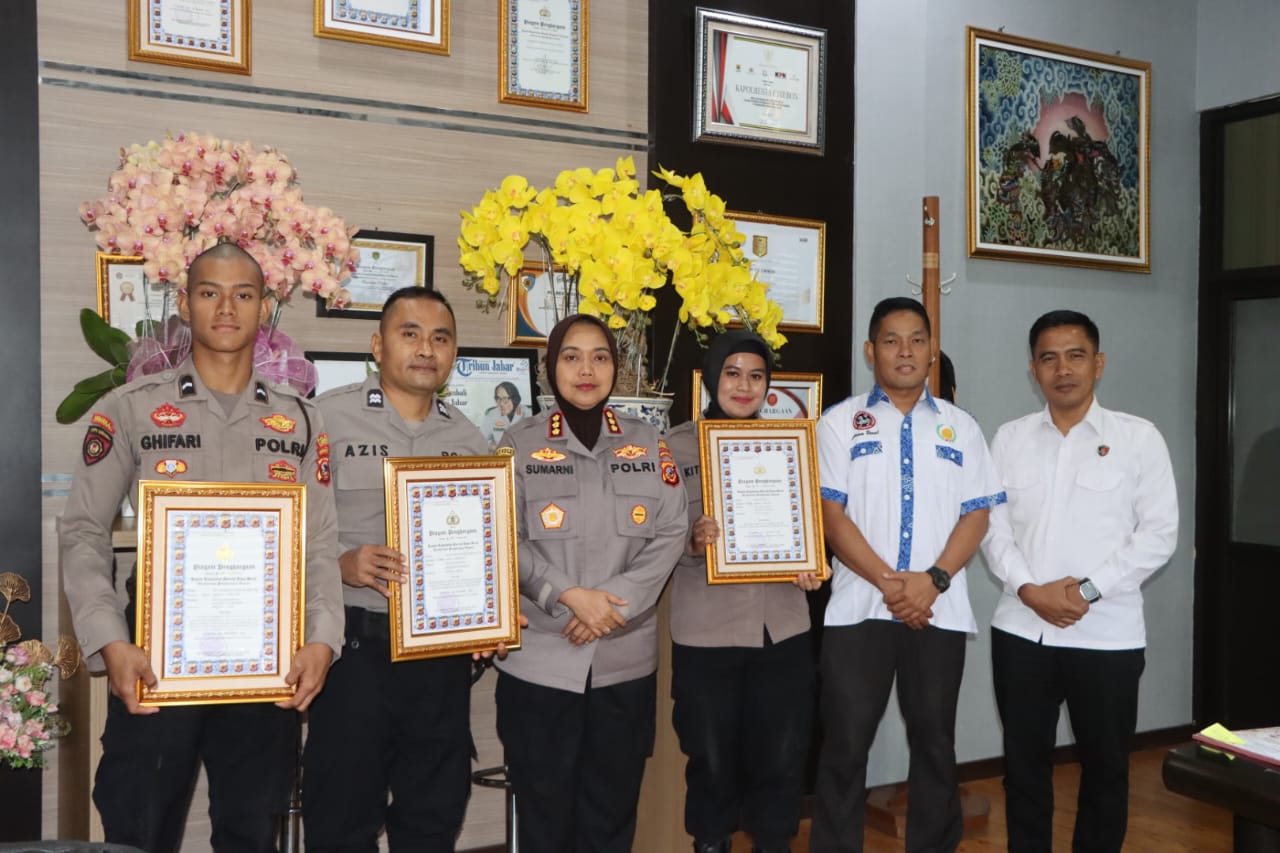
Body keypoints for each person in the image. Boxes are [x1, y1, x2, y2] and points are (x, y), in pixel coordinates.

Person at [59, 242, 344, 853]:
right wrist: (110, 642)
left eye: (243, 294)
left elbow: (319, 540)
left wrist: (322, 637)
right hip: (155, 657)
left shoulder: (301, 420)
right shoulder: (130, 408)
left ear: (265, 307)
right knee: (139, 827)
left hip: (265, 661)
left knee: (250, 830)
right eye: (209, 292)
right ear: (184, 304)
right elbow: (83, 529)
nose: (226, 307)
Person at [811, 296, 1003, 853]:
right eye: (891, 340)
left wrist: (932, 581)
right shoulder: (839, 423)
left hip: (937, 608)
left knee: (936, 746)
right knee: (845, 746)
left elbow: (978, 514)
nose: (905, 351)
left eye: (917, 340)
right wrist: (891, 582)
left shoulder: (961, 428)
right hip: (858, 610)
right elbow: (831, 515)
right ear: (870, 351)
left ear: (932, 351)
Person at [980, 310, 1178, 853]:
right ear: (1033, 369)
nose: (1062, 369)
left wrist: (1086, 591)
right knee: (1023, 771)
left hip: (1107, 635)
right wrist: (1029, 590)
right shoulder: (1009, 439)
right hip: (1022, 632)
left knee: (1107, 773)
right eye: (1048, 358)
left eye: (1075, 355)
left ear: (1099, 363)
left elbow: (1159, 535)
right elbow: (991, 530)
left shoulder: (1139, 439)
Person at [301, 287, 491, 852]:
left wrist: (491, 612)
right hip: (354, 654)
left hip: (439, 662)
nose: (426, 348)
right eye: (410, 333)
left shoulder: (470, 438)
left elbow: (487, 547)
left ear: (453, 352)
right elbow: (283, 529)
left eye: (440, 337)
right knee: (340, 818)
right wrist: (341, 565)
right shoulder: (323, 420)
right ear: (376, 345)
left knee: (433, 813)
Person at [494, 313, 687, 853]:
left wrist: (609, 607)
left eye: (600, 357)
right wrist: (571, 596)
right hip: (541, 666)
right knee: (544, 816)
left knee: (611, 813)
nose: (586, 369)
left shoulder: (649, 441)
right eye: (571, 357)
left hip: (623, 663)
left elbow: (672, 531)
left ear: (616, 368)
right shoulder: (519, 442)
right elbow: (506, 534)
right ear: (549, 368)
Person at [666, 330, 821, 853]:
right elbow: (653, 536)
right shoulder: (674, 447)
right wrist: (692, 538)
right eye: (732, 373)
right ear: (712, 378)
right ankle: (710, 843)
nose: (744, 385)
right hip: (706, 631)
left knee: (781, 757)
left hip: (783, 630)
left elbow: (811, 527)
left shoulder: (791, 445)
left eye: (756, 375)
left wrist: (811, 563)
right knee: (709, 758)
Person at [481, 380, 526, 451]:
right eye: (498, 399)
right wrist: (492, 446)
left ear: (514, 399)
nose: (501, 403)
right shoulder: (492, 415)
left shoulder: (528, 413)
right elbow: (480, 439)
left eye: (505, 399)